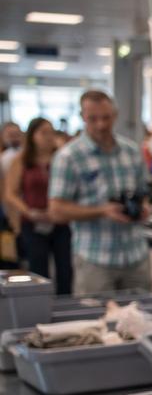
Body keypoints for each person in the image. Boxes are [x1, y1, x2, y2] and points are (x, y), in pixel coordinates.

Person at [47, 91, 152, 293]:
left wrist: (142, 207)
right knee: (96, 321)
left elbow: (142, 191)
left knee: (143, 317)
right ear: (82, 117)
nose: (101, 125)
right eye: (93, 119)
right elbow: (56, 210)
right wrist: (102, 211)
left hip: (135, 255)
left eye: (106, 117)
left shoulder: (131, 151)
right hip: (95, 259)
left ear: (115, 115)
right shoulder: (68, 157)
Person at [3, 118, 73, 293]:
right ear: (32, 135)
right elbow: (10, 193)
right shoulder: (22, 161)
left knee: (65, 269)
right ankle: (39, 305)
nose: (48, 137)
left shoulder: (62, 158)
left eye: (51, 132)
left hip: (60, 221)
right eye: (43, 132)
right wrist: (29, 211)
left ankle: (65, 305)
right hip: (33, 222)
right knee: (38, 269)